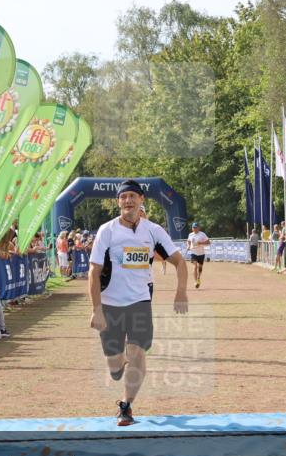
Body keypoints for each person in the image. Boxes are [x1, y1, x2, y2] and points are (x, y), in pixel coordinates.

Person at [89, 180, 188, 426]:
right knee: (115, 368)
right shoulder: (107, 231)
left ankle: (126, 406)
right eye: (124, 197)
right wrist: (97, 310)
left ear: (141, 200)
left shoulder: (153, 230)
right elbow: (94, 271)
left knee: (137, 354)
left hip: (140, 303)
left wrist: (181, 293)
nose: (128, 201)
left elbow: (180, 262)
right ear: (118, 201)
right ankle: (117, 360)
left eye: (133, 196)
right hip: (111, 305)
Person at [186, 222, 210, 288]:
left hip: (201, 253)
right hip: (193, 253)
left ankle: (199, 278)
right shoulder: (190, 235)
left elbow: (208, 242)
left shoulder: (202, 234)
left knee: (200, 267)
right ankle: (196, 281)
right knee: (195, 266)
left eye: (196, 227)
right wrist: (188, 246)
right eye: (193, 227)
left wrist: (201, 243)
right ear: (192, 228)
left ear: (199, 228)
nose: (195, 229)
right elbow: (188, 241)